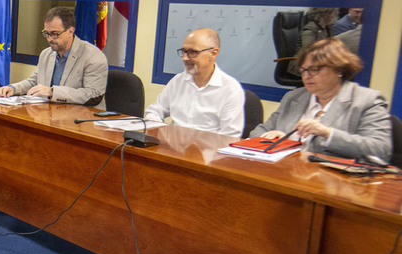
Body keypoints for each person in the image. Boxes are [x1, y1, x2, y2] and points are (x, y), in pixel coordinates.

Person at [250, 38, 391, 160]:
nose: (307, 76)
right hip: (286, 174)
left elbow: (380, 150)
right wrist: (276, 140)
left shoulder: (367, 101)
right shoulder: (294, 97)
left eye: (314, 69)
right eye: (303, 70)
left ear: (339, 69)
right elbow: (257, 132)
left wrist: (328, 133)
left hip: (338, 183)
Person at [0, 6, 108, 107]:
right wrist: (13, 88)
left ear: (70, 31)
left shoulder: (93, 56)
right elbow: (34, 82)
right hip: (52, 114)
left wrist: (52, 92)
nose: (49, 39)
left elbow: (93, 95)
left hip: (83, 121)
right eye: (46, 34)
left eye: (55, 34)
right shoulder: (46, 54)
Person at [144, 28, 244, 136]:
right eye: (184, 52)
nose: (185, 58)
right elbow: (154, 111)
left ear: (213, 54)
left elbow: (230, 136)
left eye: (192, 52)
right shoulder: (178, 81)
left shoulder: (230, 89)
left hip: (207, 150)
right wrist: (160, 133)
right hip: (172, 148)